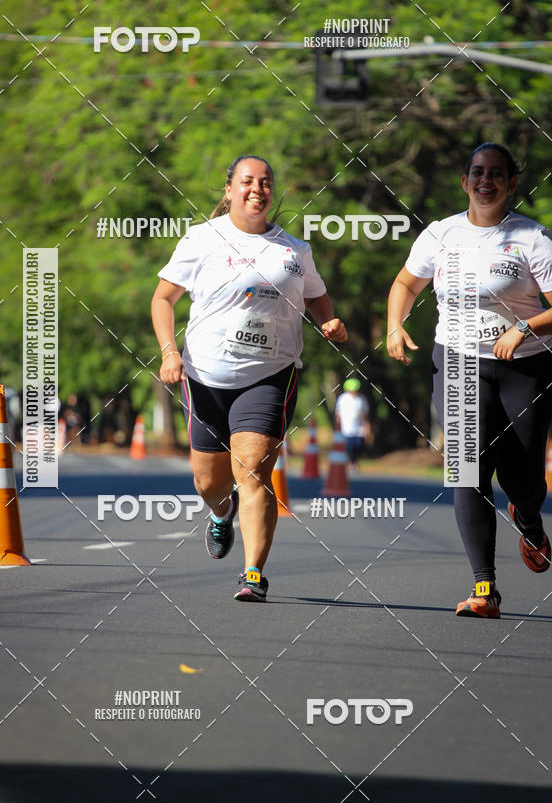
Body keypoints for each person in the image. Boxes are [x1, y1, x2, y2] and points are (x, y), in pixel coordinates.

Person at [151, 155, 347, 602]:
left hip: (270, 375)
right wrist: (169, 352)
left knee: (254, 471)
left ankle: (253, 574)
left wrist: (329, 322)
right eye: (246, 182)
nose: (256, 189)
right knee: (208, 482)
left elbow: (318, 297)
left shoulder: (294, 250)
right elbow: (163, 299)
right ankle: (222, 513)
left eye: (265, 182)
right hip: (204, 376)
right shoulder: (202, 239)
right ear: (229, 190)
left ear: (272, 192)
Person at [387, 142, 552, 618]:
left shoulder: (532, 238)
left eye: (496, 173)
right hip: (457, 360)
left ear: (511, 183)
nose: (486, 181)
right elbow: (404, 283)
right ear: (464, 182)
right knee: (466, 470)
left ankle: (529, 516)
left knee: (522, 476)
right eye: (477, 172)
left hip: (526, 366)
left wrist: (524, 327)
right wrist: (396, 324)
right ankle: (484, 587)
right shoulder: (441, 234)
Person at [335, 378, 371, 470]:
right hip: (346, 429)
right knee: (349, 447)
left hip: (359, 429)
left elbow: (365, 415)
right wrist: (337, 428)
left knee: (358, 446)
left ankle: (354, 461)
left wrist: (367, 428)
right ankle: (351, 462)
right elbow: (338, 415)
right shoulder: (342, 398)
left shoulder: (361, 399)